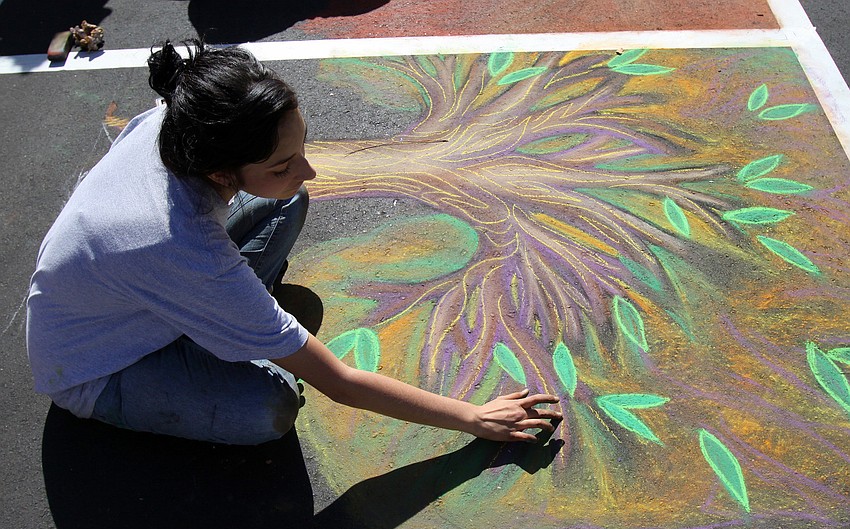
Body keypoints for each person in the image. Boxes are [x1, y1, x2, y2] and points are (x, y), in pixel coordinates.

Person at [26, 40, 561, 446]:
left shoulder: (185, 115)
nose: (307, 169)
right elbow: (343, 383)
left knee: (285, 201)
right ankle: (224, 333)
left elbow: (210, 229)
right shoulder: (180, 247)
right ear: (218, 172)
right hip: (100, 367)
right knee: (270, 407)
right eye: (282, 163)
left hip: (135, 291)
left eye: (300, 145)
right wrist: (471, 417)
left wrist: (274, 184)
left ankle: (230, 323)